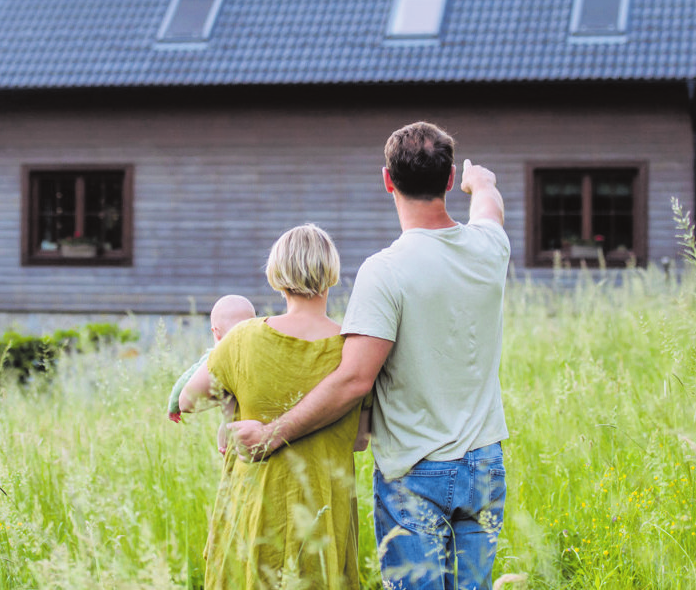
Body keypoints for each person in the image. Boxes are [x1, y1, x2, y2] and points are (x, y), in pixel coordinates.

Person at [230, 121, 511, 590]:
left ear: (387, 180)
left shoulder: (386, 271)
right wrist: (482, 182)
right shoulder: (489, 246)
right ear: (447, 181)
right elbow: (490, 210)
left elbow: (354, 380)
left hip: (415, 470)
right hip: (485, 462)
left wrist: (272, 435)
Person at [179, 224, 370, 590]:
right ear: (331, 272)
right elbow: (360, 440)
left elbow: (188, 401)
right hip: (324, 509)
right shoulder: (355, 347)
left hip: (255, 506)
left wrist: (223, 362)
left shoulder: (243, 337)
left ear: (277, 275)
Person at [167, 294, 255, 453]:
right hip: (258, 423)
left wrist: (173, 406)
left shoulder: (214, 356)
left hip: (236, 426)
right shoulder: (257, 351)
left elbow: (186, 380)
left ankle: (225, 448)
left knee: (228, 422)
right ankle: (226, 448)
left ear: (216, 332)